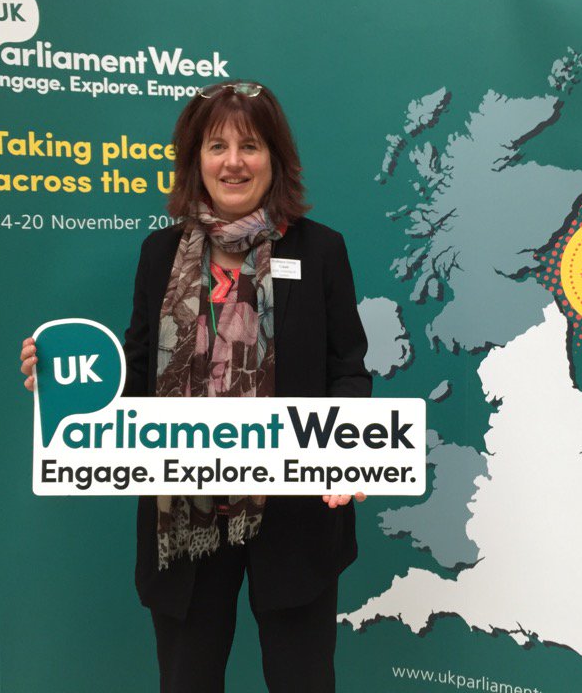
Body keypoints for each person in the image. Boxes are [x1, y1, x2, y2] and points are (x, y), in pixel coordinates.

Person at [19, 80, 371, 692]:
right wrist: (66, 386)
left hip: (293, 513)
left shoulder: (320, 251)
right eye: (217, 146)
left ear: (275, 159)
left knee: (303, 680)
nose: (233, 162)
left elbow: (348, 367)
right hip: (184, 511)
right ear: (195, 160)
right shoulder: (160, 253)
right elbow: (133, 372)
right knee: (188, 680)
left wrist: (351, 454)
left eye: (250, 145)